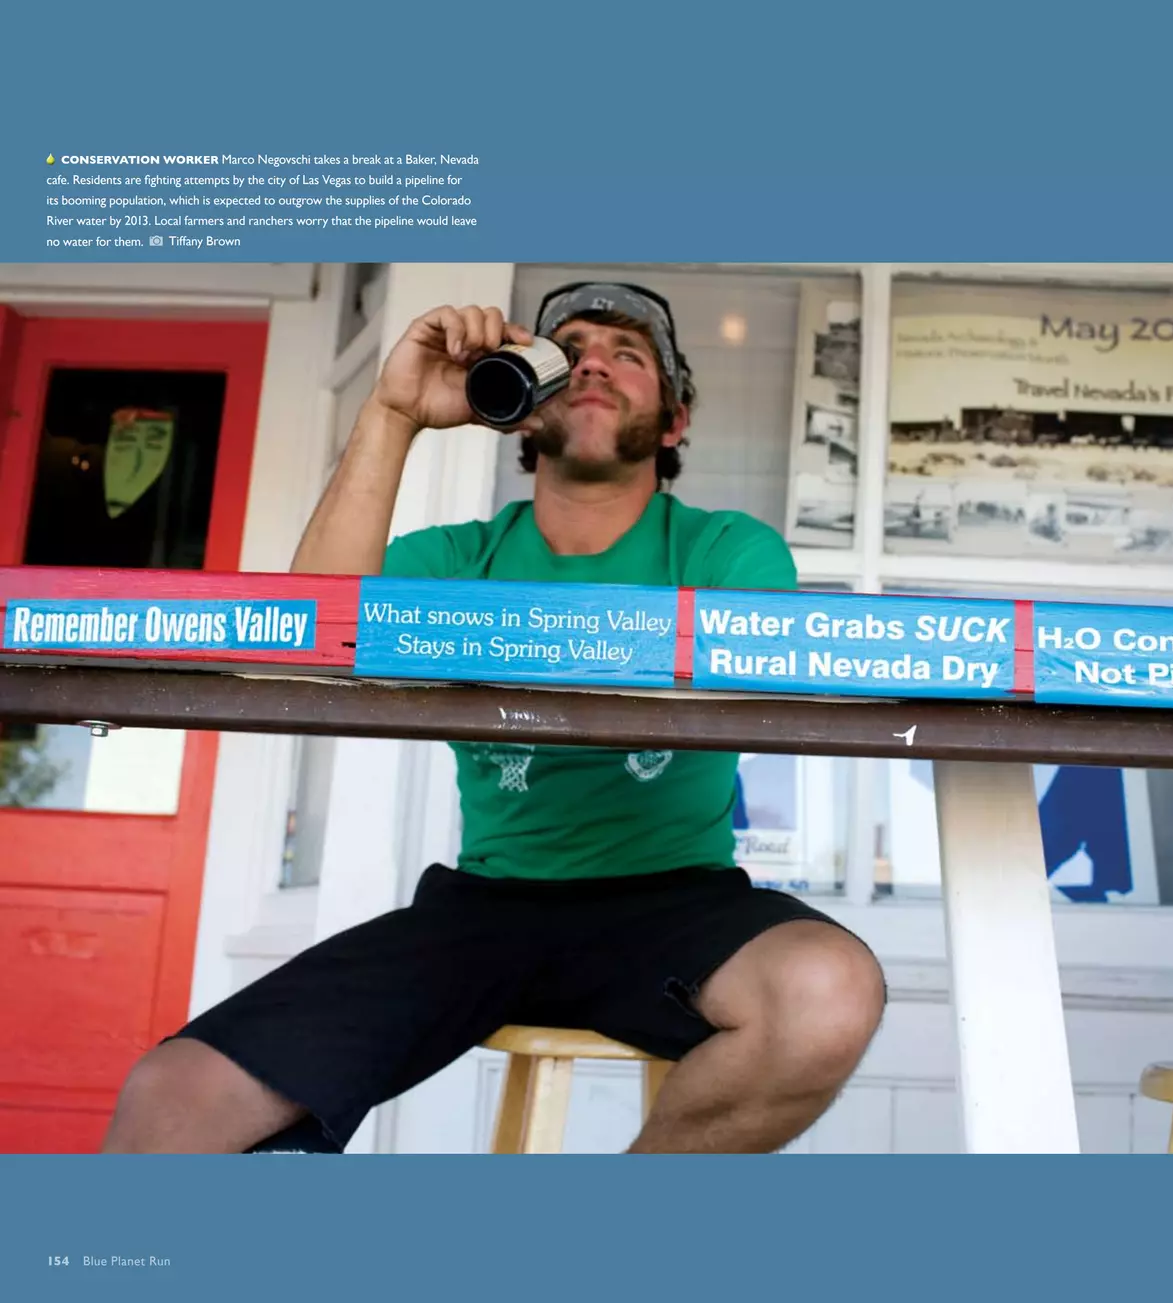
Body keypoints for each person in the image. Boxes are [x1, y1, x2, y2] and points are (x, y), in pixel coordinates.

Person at [102, 283, 886, 1154]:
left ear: (674, 421)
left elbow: (748, 687)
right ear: (521, 404)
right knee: (172, 1098)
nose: (592, 361)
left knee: (827, 990)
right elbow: (308, 639)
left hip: (675, 901)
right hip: (482, 909)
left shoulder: (724, 550)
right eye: (567, 350)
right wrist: (396, 409)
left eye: (628, 354)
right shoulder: (455, 558)